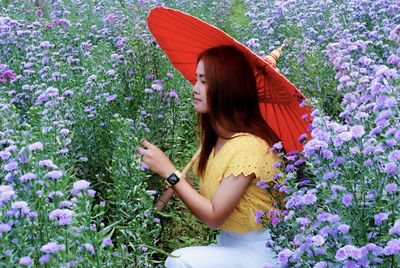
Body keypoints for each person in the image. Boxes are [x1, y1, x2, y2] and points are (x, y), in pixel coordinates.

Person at [138, 45, 283, 268]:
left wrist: (169, 172)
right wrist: (176, 178)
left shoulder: (249, 147)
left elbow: (214, 216)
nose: (195, 88)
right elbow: (213, 201)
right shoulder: (218, 138)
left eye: (204, 82)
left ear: (228, 89)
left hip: (260, 253)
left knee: (179, 261)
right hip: (228, 245)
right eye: (196, 79)